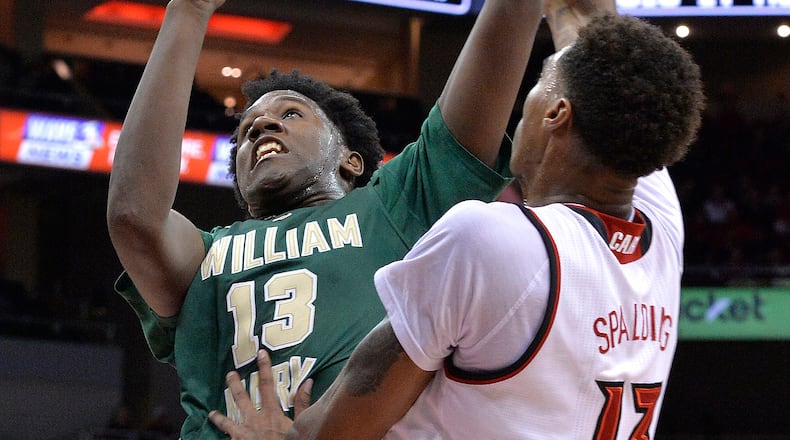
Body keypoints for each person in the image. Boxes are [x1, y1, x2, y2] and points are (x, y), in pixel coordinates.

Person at [208, 0, 706, 438]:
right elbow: (600, 45)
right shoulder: (659, 222)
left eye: (538, 85)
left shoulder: (493, 238)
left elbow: (343, 424)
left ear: (556, 114)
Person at [106, 0, 543, 438]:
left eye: (290, 114)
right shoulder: (206, 253)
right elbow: (133, 215)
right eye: (245, 132)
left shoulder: (394, 204)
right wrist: (188, 10)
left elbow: (487, 74)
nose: (261, 127)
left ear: (351, 161)